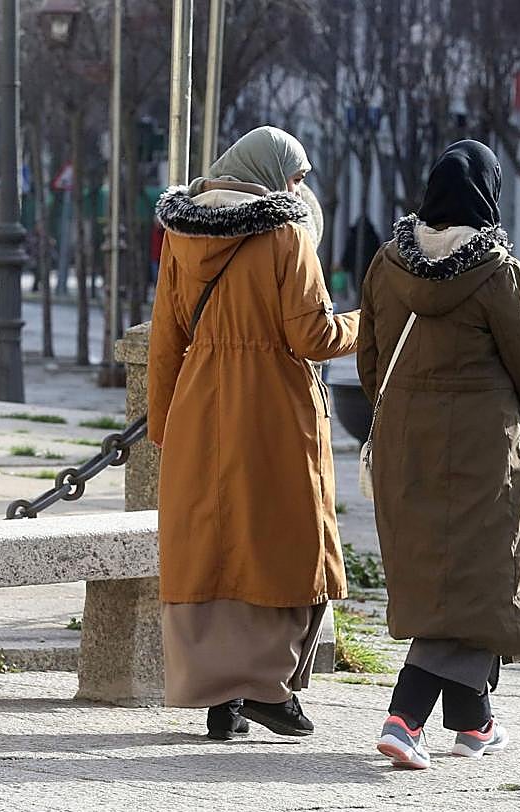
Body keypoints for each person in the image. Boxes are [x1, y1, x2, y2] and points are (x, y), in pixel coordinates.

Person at [357, 140, 520, 770]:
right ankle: (405, 716)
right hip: (486, 452)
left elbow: (370, 359)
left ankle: (475, 724)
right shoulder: (497, 271)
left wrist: (404, 416)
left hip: (408, 444)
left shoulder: (384, 263)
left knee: (442, 579)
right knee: (485, 582)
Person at [149, 126, 360, 741]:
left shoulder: (182, 234)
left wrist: (166, 426)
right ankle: (270, 687)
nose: (300, 189)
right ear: (270, 172)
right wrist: (365, 325)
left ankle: (223, 700)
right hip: (273, 404)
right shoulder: (287, 234)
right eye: (296, 176)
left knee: (214, 546)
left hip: (198, 403)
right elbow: (312, 336)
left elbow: (166, 337)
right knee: (287, 539)